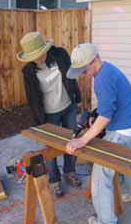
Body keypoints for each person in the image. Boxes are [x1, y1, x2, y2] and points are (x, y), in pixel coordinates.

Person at [65, 43, 131, 224]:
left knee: (101, 179)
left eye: (84, 69)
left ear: (94, 61)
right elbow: (108, 105)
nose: (83, 74)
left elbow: (107, 116)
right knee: (128, 162)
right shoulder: (108, 70)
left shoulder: (102, 79)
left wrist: (82, 140)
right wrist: (95, 114)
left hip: (120, 132)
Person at [16, 31, 82, 197]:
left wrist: (78, 98)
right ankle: (54, 180)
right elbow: (32, 99)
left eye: (41, 54)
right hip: (49, 114)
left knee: (72, 141)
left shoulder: (60, 54)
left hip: (68, 107)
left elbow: (71, 78)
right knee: (51, 147)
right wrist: (40, 122)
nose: (39, 59)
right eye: (35, 57)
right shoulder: (28, 72)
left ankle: (70, 172)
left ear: (46, 48)